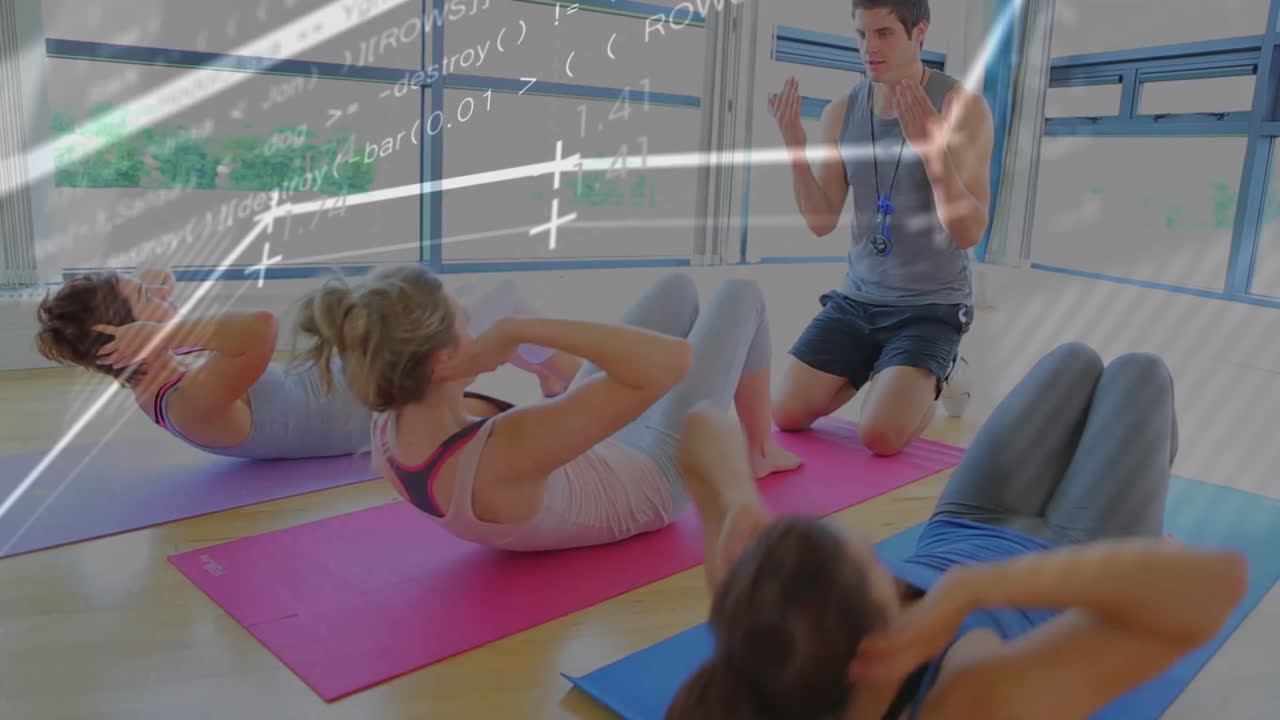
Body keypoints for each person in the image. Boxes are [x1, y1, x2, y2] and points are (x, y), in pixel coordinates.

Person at [667, 342, 1248, 720]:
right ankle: (1141, 526)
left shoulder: (770, 649)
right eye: (877, 565)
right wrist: (974, 589)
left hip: (967, 520)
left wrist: (741, 509)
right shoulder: (968, 701)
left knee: (1072, 361)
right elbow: (1219, 581)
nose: (891, 564)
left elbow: (700, 424)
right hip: (1080, 547)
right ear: (875, 646)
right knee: (1140, 372)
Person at [291, 267, 802, 552]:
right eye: (465, 321)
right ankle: (759, 449)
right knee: (741, 291)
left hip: (584, 457)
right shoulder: (505, 447)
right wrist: (519, 329)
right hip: (654, 479)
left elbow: (523, 433)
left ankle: (756, 445)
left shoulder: (390, 427)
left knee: (677, 289)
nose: (478, 330)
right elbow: (674, 361)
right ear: (443, 360)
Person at [768, 0, 993, 455]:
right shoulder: (842, 110)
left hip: (931, 305)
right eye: (861, 34)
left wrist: (932, 151)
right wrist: (795, 147)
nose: (869, 48)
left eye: (884, 33)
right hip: (858, 300)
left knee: (880, 437)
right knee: (785, 413)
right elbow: (821, 221)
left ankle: (940, 371)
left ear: (919, 32)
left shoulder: (959, 107)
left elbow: (969, 232)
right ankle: (885, 365)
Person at [33, 267, 379, 459]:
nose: (162, 293)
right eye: (146, 296)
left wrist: (149, 292)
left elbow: (153, 279)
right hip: (382, 405)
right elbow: (261, 328)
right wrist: (163, 332)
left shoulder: (159, 367)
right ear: (134, 337)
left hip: (351, 373)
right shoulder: (189, 404)